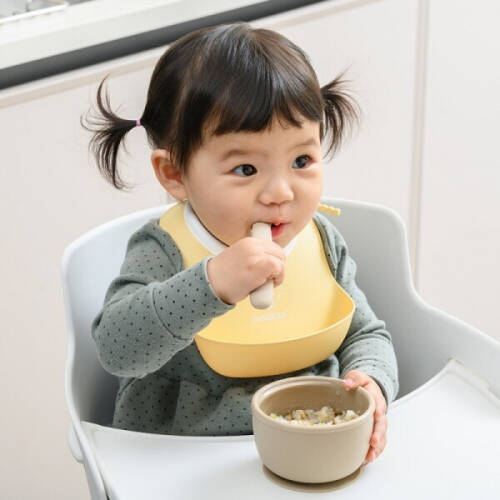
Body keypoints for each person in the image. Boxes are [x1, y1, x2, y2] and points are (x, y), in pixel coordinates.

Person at [83, 23, 399, 467]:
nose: (280, 193)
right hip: (184, 462)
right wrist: (211, 284)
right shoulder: (164, 248)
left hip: (311, 454)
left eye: (302, 160)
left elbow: (366, 334)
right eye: (246, 169)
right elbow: (117, 350)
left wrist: (371, 380)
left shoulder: (322, 242)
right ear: (174, 174)